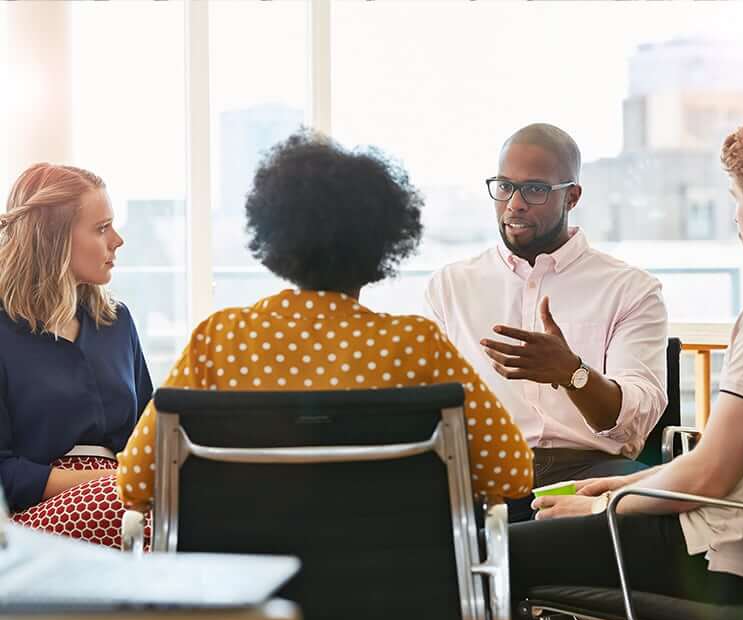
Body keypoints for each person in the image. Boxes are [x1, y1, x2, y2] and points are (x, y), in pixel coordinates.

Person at [117, 130, 533, 511]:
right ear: (383, 245)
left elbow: (136, 480)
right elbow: (513, 473)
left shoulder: (221, 340)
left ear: (274, 236)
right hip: (394, 583)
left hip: (249, 582)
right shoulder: (415, 345)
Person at [509, 111, 743, 620]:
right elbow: (727, 457)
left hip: (714, 553)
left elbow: (709, 476)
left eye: (735, 200)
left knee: (490, 558)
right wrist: (625, 482)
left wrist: (599, 506)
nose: (735, 219)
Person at [425, 123, 668, 524]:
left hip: (588, 473)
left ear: (571, 196)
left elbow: (633, 428)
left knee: (648, 517)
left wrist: (572, 374)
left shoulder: (631, 289)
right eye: (504, 186)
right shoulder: (450, 286)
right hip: (482, 476)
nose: (514, 204)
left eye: (534, 189)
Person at [0, 163, 153, 548]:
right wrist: (113, 482)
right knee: (135, 512)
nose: (117, 240)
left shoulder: (117, 322)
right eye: (101, 228)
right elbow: (4, 473)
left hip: (124, 496)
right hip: (35, 512)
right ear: (53, 240)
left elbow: (150, 435)